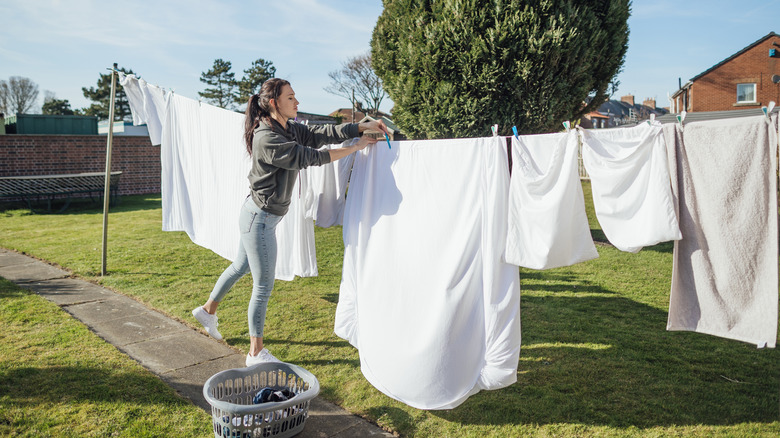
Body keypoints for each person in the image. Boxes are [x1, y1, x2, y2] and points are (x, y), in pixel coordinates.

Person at [192, 78, 387, 366]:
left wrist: (361, 126)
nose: (297, 103)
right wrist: (355, 147)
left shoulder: (285, 128)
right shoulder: (267, 137)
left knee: (240, 266)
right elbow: (308, 157)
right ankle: (255, 353)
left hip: (256, 215)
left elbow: (319, 133)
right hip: (259, 219)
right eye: (291, 98)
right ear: (274, 103)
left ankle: (207, 311)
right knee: (263, 285)